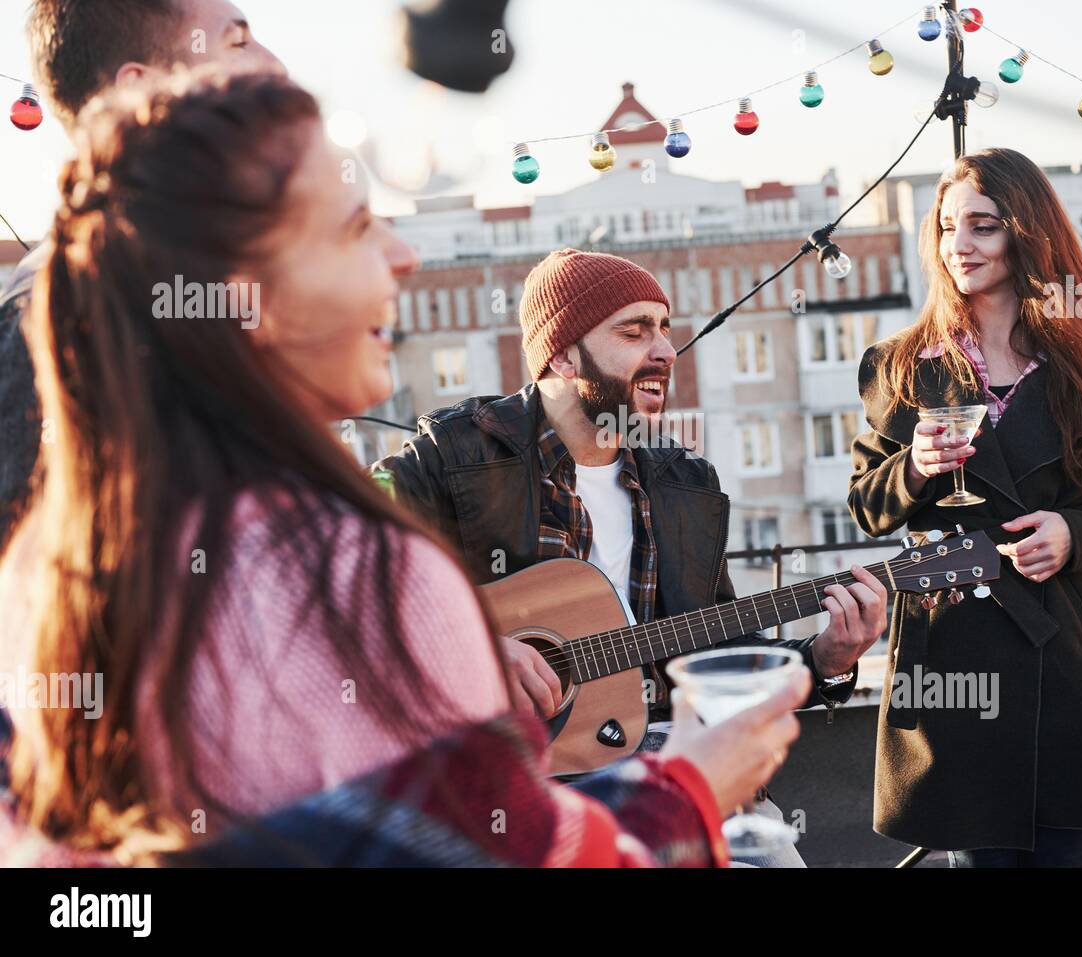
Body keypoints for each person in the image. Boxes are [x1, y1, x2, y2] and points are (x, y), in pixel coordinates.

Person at [0, 66, 807, 867]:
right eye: (356, 229)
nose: (404, 254)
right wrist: (691, 788)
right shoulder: (362, 574)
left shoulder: (48, 564)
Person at [375, 246, 889, 867]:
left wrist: (827, 660)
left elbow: (719, 649)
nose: (665, 350)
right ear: (562, 355)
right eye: (634, 330)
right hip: (510, 781)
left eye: (665, 328)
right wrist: (471, 642)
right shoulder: (457, 453)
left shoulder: (686, 483)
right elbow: (344, 564)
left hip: (669, 757)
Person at [847, 147, 1082, 868]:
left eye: (983, 226)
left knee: (1062, 849)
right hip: (952, 642)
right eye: (945, 227)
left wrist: (1075, 530)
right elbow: (867, 507)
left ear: (1027, 233)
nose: (958, 245)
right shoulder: (903, 365)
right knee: (981, 854)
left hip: (1063, 637)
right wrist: (914, 468)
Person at [1, 0, 283, 549]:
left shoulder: (205, 292)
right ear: (141, 92)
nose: (276, 67)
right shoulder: (56, 318)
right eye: (238, 42)